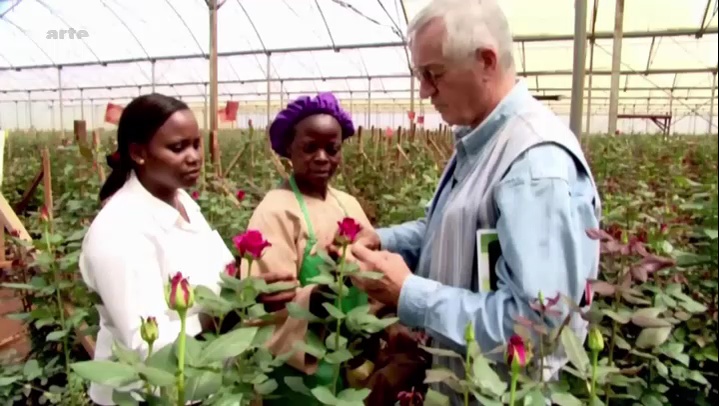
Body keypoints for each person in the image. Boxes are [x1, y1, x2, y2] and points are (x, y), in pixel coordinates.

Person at [346, 0, 602, 403]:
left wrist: (409, 294)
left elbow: (535, 331)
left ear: (486, 60)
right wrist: (384, 240)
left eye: (434, 75)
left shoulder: (533, 165)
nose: (424, 90)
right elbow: (451, 227)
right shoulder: (482, 142)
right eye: (420, 75)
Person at [241, 92, 429, 405]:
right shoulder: (275, 211)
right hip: (301, 370)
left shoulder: (348, 204)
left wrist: (384, 325)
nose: (322, 157)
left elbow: (375, 282)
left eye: (332, 148)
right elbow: (267, 305)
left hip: (352, 356)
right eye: (310, 147)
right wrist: (319, 294)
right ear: (289, 147)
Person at [79, 93, 234, 405]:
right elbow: (144, 345)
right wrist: (215, 319)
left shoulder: (180, 200)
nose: (194, 156)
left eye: (196, 143)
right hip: (143, 396)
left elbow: (219, 266)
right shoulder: (119, 231)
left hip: (194, 386)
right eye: (178, 147)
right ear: (138, 153)